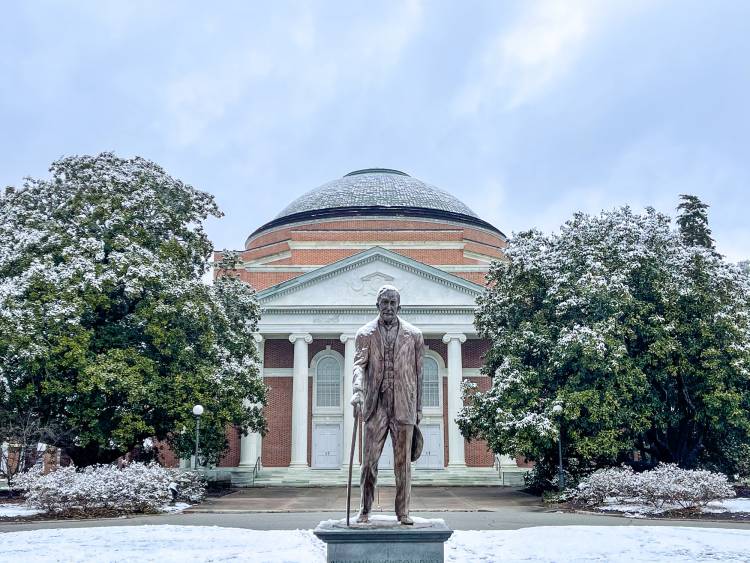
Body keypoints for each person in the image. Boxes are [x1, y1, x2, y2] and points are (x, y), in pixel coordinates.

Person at [351, 285, 424, 525]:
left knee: (402, 466)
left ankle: (403, 512)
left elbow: (419, 374)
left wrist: (419, 408)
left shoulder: (414, 335)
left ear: (399, 306)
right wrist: (358, 391)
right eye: (385, 303)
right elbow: (359, 366)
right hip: (376, 405)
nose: (389, 307)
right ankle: (364, 509)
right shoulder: (365, 334)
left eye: (393, 303)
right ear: (377, 305)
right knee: (369, 463)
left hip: (404, 405)